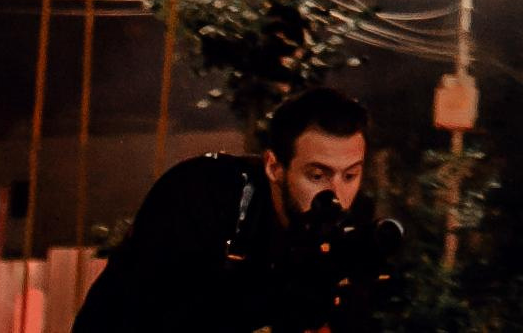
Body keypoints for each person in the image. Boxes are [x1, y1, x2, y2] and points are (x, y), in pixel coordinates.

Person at [74, 83, 401, 331]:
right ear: (274, 166)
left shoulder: (353, 220)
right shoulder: (204, 194)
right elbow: (151, 311)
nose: (336, 193)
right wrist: (273, 300)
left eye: (351, 175)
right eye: (317, 175)